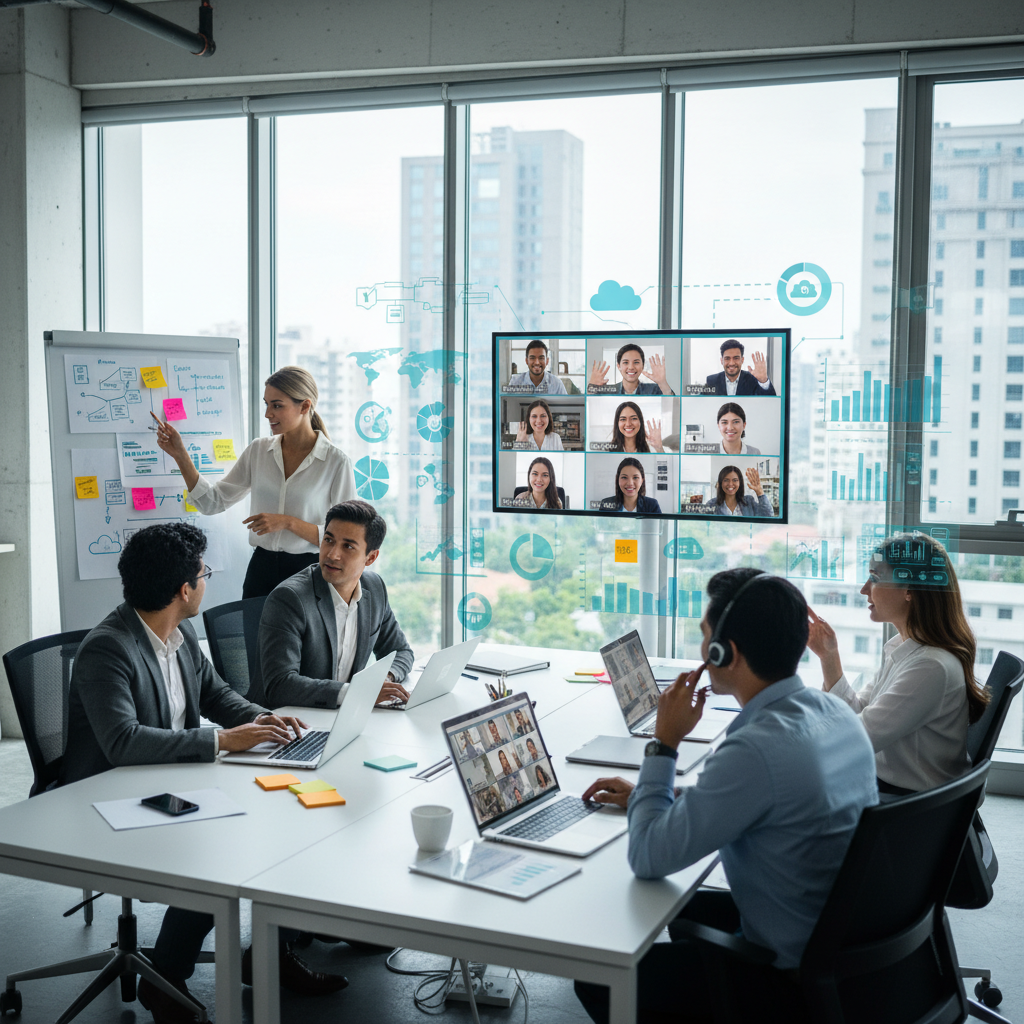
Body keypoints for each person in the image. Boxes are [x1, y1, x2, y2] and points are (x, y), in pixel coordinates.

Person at [58, 523, 345, 1024]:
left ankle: (267, 954)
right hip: (104, 795)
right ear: (184, 590)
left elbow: (215, 695)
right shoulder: (109, 648)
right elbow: (123, 742)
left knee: (283, 820)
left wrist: (261, 719)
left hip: (167, 781)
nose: (206, 582)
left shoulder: (178, 629)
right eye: (203, 574)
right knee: (218, 852)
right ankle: (166, 982)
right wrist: (222, 741)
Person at [575, 569, 877, 1024]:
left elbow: (647, 855)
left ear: (724, 653)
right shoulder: (835, 712)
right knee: (672, 913)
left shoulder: (755, 748)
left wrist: (664, 745)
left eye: (704, 637)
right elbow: (765, 798)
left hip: (789, 980)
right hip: (844, 951)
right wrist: (653, 794)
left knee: (597, 975)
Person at [152, 366, 357, 599]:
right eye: (266, 404)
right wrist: (180, 455)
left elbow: (347, 538)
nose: (268, 413)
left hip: (309, 573)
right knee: (254, 636)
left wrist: (288, 523)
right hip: (261, 570)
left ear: (305, 406)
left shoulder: (336, 462)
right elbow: (212, 503)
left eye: (277, 405)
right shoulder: (258, 451)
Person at [807, 533, 988, 795]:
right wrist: (829, 657)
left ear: (909, 590)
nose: (864, 589)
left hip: (907, 806)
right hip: (893, 789)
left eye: (876, 578)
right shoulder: (905, 648)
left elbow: (855, 739)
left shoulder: (930, 667)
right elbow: (859, 713)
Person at [250, 499, 413, 709]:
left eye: (348, 546)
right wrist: (357, 693)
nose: (332, 554)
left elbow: (401, 651)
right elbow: (280, 685)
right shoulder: (290, 598)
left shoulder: (375, 589)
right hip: (287, 725)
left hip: (342, 716)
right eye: (328, 540)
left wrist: (385, 681)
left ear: (370, 558)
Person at [588, 343, 676, 396]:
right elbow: (588, 410)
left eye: (636, 362)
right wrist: (591, 388)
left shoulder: (654, 390)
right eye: (626, 362)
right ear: (618, 366)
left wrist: (663, 383)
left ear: (642, 366)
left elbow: (673, 408)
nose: (631, 367)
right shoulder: (608, 391)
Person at [704, 339, 777, 396]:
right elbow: (700, 403)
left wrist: (763, 380)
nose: (732, 363)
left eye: (736, 358)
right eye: (727, 358)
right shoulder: (711, 381)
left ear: (742, 360)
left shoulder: (752, 380)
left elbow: (771, 403)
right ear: (721, 361)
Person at [598, 457, 662, 513]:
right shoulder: (605, 504)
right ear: (618, 479)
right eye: (624, 477)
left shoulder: (652, 505)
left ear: (642, 480)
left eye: (635, 477)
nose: (630, 483)